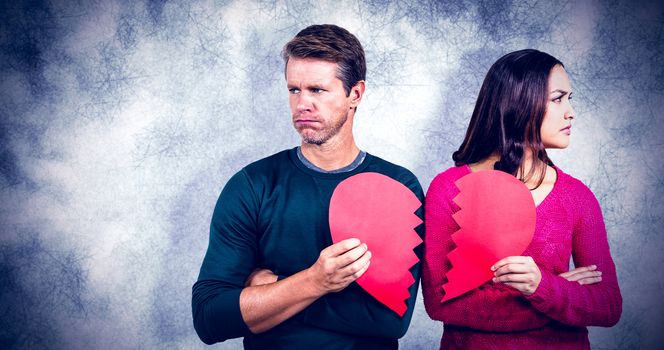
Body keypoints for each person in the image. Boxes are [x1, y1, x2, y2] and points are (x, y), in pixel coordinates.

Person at [192, 24, 424, 349]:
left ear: (355, 94)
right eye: (294, 90)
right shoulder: (252, 185)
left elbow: (389, 320)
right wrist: (315, 281)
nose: (302, 104)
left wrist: (273, 292)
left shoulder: (397, 186)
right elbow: (209, 318)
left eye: (317, 90)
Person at [422, 49, 622, 349]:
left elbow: (607, 306)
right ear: (520, 102)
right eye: (558, 98)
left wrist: (542, 285)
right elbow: (440, 303)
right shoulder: (449, 189)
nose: (571, 112)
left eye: (570, 98)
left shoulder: (577, 197)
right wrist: (550, 295)